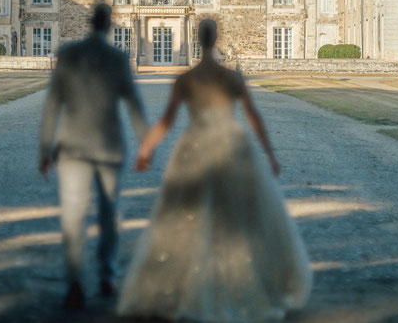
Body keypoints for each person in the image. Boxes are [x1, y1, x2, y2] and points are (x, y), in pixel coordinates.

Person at [117, 19, 311, 322]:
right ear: (216, 37)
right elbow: (254, 117)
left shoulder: (186, 79)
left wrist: (146, 149)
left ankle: (188, 285)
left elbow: (167, 122)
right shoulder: (231, 77)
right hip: (233, 146)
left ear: (197, 38)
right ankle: (245, 282)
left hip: (194, 147)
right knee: (237, 217)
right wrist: (270, 154)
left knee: (188, 216)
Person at [39, 3, 149, 310]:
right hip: (108, 147)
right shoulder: (117, 58)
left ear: (89, 22)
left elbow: (52, 105)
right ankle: (107, 276)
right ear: (109, 25)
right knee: (109, 214)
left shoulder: (69, 54)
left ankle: (75, 281)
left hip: (72, 148)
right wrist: (145, 144)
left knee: (73, 216)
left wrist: (44, 150)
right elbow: (134, 105)